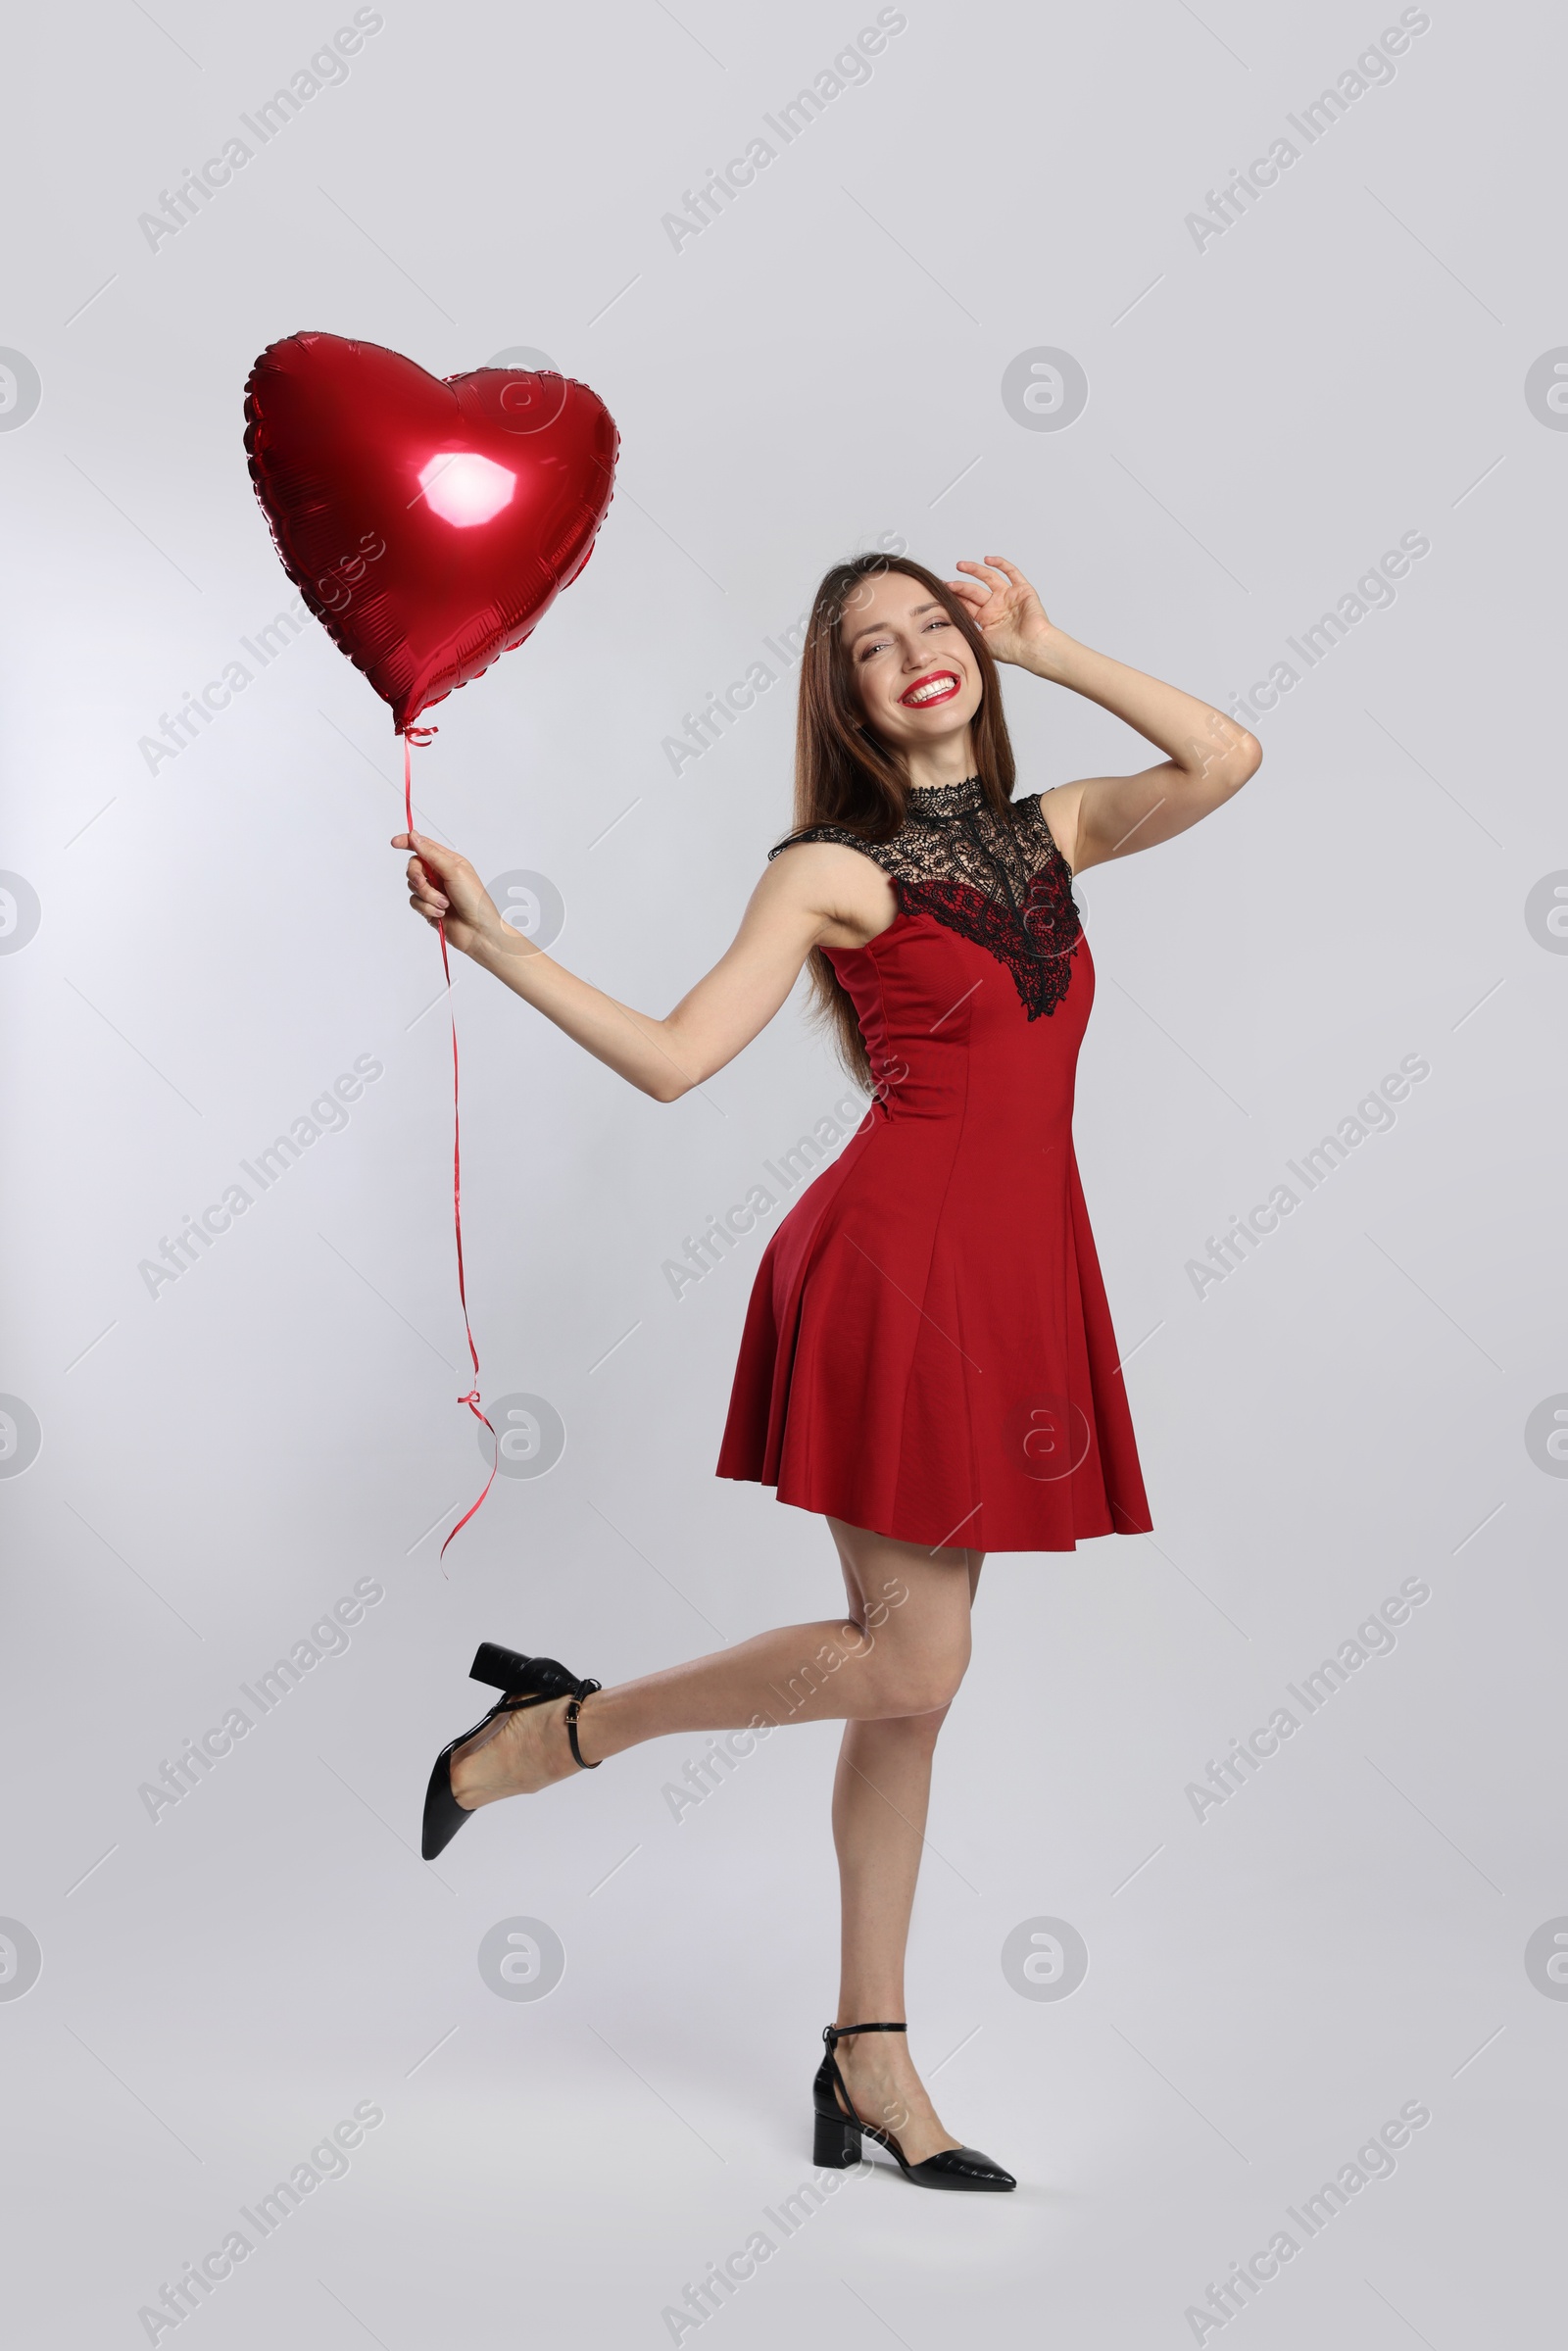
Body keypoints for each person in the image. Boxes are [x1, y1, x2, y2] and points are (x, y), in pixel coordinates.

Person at [396, 553, 1260, 2190]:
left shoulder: (1055, 833)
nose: (919, 656)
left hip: (1011, 1278)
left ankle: (868, 2054)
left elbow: (1225, 758)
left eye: (936, 624)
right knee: (916, 1670)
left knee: (905, 1684)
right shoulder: (827, 869)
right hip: (889, 1274)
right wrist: (503, 944)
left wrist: (1051, 641)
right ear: (845, 699)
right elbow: (670, 1061)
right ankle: (561, 1733)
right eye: (878, 647)